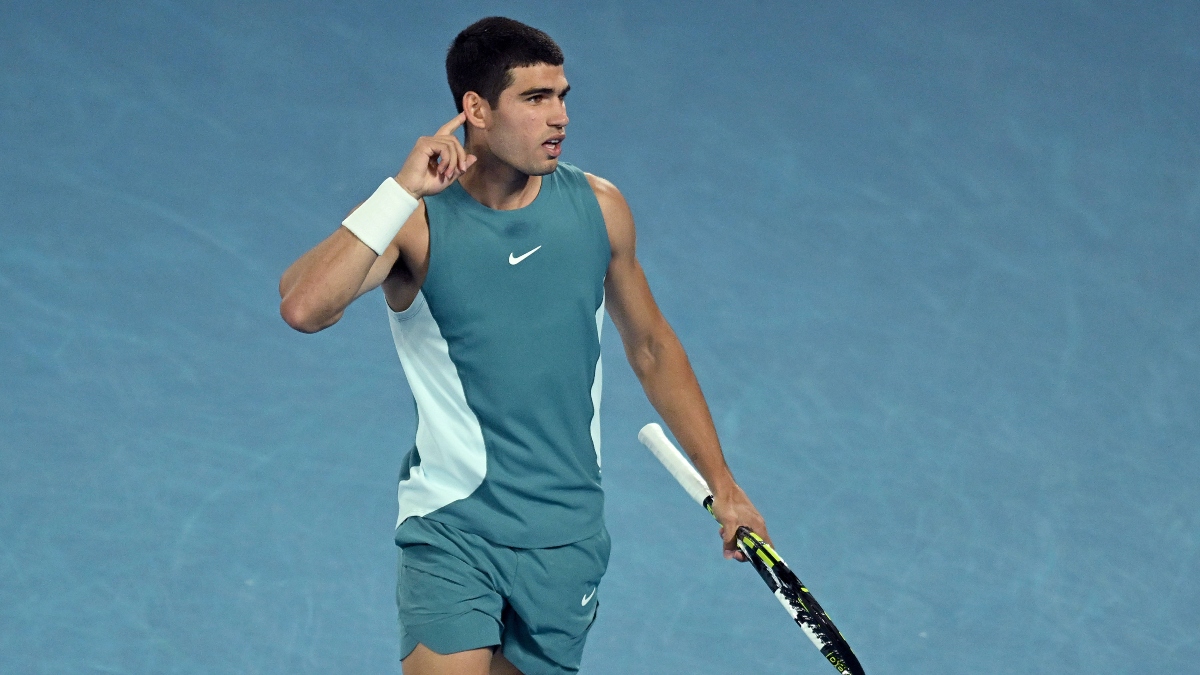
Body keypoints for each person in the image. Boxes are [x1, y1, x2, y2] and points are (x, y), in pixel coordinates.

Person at [279, 16, 770, 675]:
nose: (559, 116)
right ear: (475, 109)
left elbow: (651, 345)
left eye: (562, 96)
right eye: (535, 99)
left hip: (567, 536)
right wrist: (398, 191)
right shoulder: (417, 224)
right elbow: (305, 305)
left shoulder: (600, 207)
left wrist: (725, 484)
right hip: (455, 525)